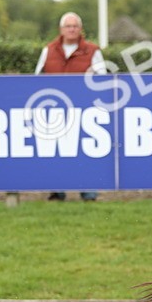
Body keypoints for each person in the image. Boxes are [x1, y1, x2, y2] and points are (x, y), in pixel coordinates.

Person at [35, 12, 105, 201]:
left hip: (84, 111)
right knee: (56, 152)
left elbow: (104, 79)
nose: (72, 29)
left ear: (80, 29)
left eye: (75, 26)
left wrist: (95, 73)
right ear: (61, 29)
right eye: (68, 26)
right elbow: (36, 79)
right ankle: (58, 191)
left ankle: (89, 193)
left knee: (87, 152)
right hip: (55, 112)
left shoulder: (93, 51)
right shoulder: (48, 50)